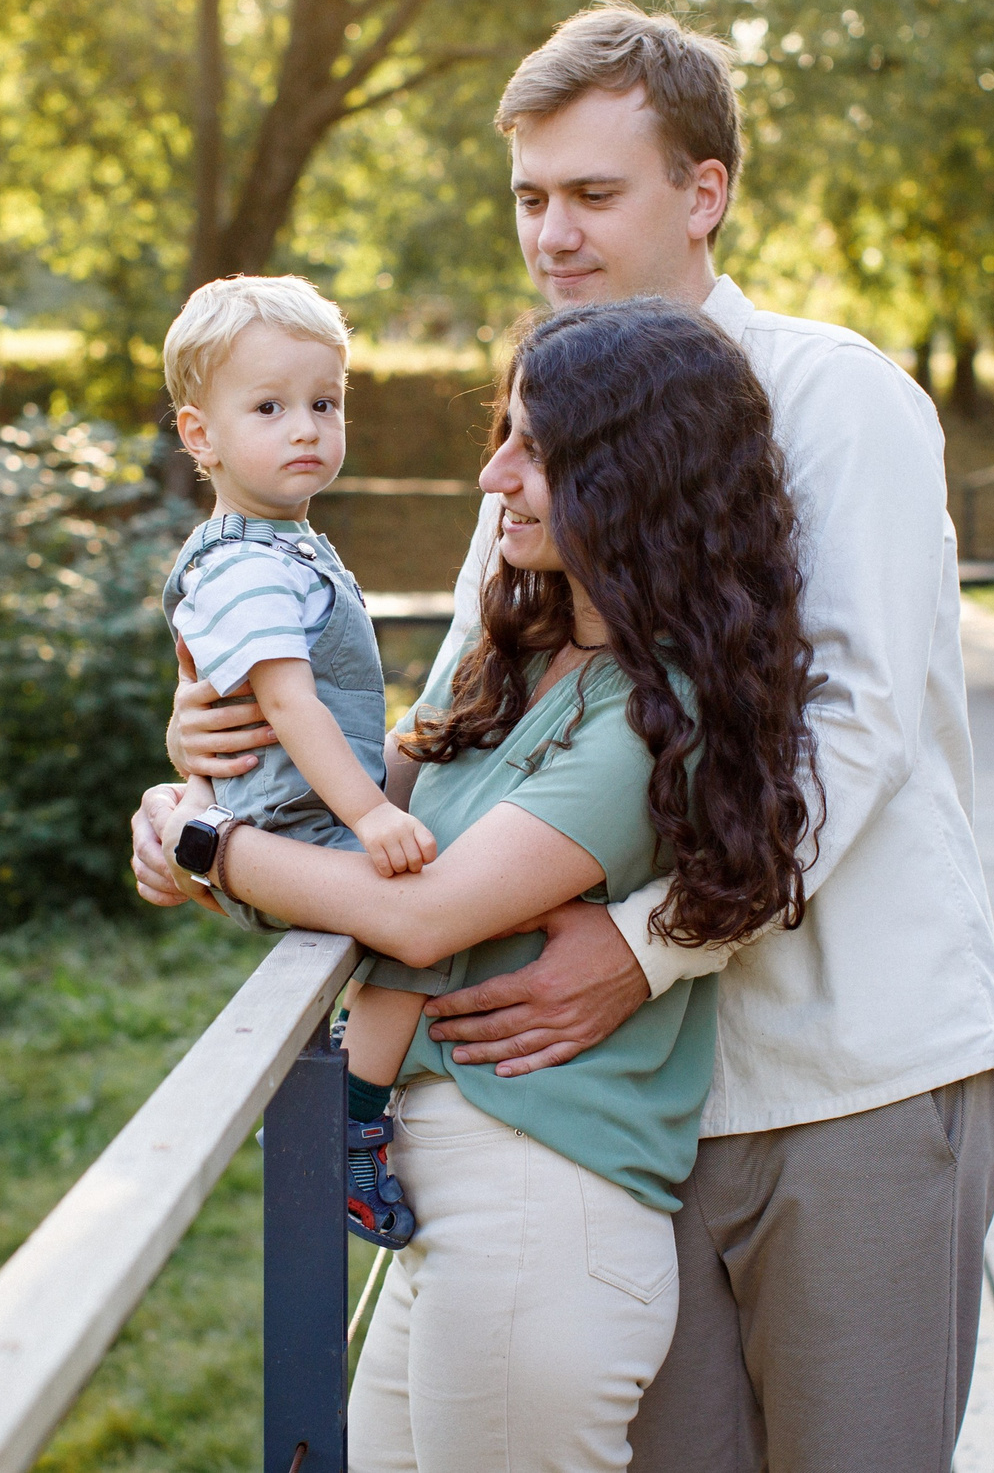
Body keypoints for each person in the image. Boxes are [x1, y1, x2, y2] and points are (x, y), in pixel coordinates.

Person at [134, 3, 994, 1472]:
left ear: (705, 191)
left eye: (592, 193)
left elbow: (844, 734)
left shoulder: (838, 397)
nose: (551, 232)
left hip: (846, 1071)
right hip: (610, 1105)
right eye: (531, 196)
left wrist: (645, 943)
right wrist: (222, 776)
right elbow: (462, 718)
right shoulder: (545, 434)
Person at [151, 297, 819, 1472]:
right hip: (452, 1206)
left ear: (632, 475)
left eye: (531, 448)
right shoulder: (515, 656)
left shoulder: (653, 713)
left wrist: (206, 847)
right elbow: (352, 814)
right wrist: (191, 781)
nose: (491, 473)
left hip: (537, 1211)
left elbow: (414, 910)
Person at [156, 273, 449, 1248]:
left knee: (426, 930)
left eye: (325, 404)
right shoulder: (245, 568)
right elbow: (285, 703)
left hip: (293, 819)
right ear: (201, 437)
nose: (307, 429)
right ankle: (352, 1130)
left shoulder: (283, 548)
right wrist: (370, 817)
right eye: (270, 408)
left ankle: (351, 1085)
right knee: (427, 933)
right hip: (287, 833)